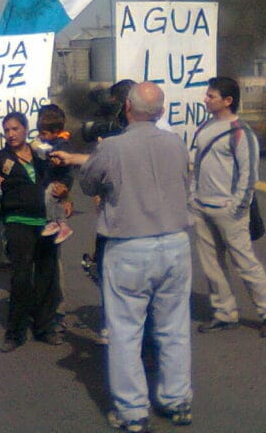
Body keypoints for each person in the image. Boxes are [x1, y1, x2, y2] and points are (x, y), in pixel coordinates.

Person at [55, 82, 193, 432]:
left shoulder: (113, 147)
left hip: (131, 245)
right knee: (174, 329)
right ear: (160, 112)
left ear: (127, 109)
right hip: (175, 243)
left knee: (125, 333)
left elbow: (88, 185)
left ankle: (133, 411)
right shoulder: (176, 143)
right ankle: (177, 401)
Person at [190, 76, 266, 338]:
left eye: (211, 96)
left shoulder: (242, 132)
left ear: (228, 101)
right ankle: (224, 313)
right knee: (211, 265)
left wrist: (237, 207)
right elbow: (196, 166)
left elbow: (249, 175)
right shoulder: (205, 127)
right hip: (202, 207)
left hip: (228, 210)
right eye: (207, 95)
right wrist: (192, 198)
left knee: (245, 263)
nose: (206, 100)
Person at [0, 112, 62, 352]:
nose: (11, 134)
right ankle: (15, 333)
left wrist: (62, 190)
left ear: (26, 130)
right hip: (17, 220)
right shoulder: (0, 158)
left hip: (46, 221)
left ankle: (44, 327)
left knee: (47, 275)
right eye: (7, 130)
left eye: (15, 129)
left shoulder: (41, 154)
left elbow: (58, 178)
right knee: (21, 276)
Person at [34, 103, 74, 245]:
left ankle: (55, 223)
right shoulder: (42, 142)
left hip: (57, 180)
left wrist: (55, 160)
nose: (41, 136)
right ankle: (61, 225)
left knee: (51, 199)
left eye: (44, 133)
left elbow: (66, 166)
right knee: (53, 201)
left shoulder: (61, 144)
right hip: (48, 181)